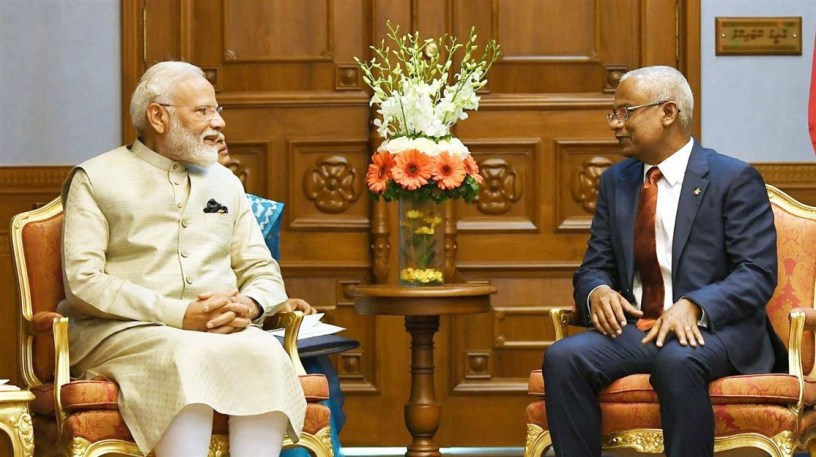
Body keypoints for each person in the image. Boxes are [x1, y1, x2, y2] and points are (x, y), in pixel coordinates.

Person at [59, 60, 316, 457]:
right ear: (158, 116)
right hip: (123, 331)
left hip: (221, 330)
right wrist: (180, 315)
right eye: (203, 111)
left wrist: (250, 304)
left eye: (217, 110)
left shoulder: (226, 182)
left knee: (263, 351)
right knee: (186, 352)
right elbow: (84, 282)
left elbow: (261, 269)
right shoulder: (95, 178)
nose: (219, 122)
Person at [542, 66, 788, 457]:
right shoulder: (617, 182)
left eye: (625, 112)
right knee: (563, 358)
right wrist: (597, 291)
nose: (615, 124)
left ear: (668, 112)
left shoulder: (732, 178)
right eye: (613, 113)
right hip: (642, 327)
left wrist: (694, 306)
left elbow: (756, 274)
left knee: (677, 361)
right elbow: (594, 266)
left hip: (715, 331)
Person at [216, 135, 352, 457]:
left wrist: (281, 303)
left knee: (316, 369)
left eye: (216, 117)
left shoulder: (254, 209)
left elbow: (263, 277)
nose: (219, 132)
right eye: (202, 117)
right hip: (204, 327)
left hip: (253, 320)